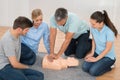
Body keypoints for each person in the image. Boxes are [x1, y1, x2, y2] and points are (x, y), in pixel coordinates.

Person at [82, 10, 118, 76]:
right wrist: (92, 53)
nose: (91, 25)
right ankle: (99, 63)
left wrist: (96, 59)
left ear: (101, 23)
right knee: (85, 67)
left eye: (93, 24)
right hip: (97, 53)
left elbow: (107, 49)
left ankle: (110, 66)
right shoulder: (93, 28)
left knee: (93, 72)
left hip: (108, 57)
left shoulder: (109, 32)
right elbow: (93, 40)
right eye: (91, 23)